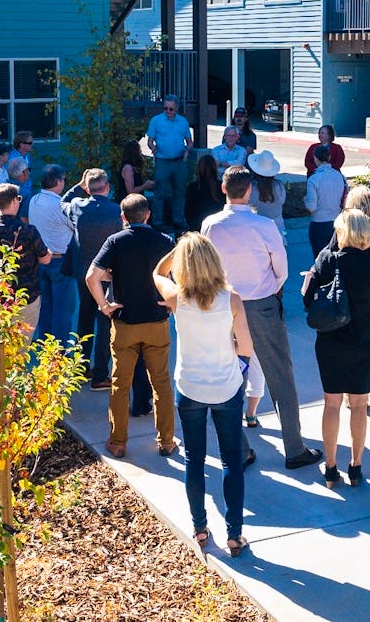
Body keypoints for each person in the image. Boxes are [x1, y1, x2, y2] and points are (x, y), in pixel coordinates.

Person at [203, 165, 323, 470]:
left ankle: (238, 449)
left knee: (231, 377)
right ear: (249, 191)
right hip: (262, 305)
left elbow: (207, 267)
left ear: (223, 189)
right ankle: (294, 448)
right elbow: (280, 269)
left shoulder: (210, 226)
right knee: (279, 374)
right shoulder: (265, 225)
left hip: (226, 308)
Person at [153, 233, 253, 556]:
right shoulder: (232, 299)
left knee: (194, 460)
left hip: (190, 387)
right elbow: (247, 348)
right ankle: (235, 534)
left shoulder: (176, 298)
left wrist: (178, 250)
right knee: (231, 462)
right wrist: (240, 370)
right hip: (226, 386)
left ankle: (199, 527)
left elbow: (157, 272)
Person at [304, 209, 370, 487]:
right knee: (359, 405)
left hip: (330, 341)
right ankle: (356, 467)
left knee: (331, 403)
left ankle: (330, 468)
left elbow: (308, 300)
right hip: (362, 341)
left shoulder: (326, 260)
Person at [86, 194, 178, 458]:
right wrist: (171, 303)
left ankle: (117, 442)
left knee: (120, 383)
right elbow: (177, 277)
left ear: (123, 217)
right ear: (147, 214)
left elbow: (92, 276)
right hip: (156, 322)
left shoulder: (115, 242)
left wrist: (104, 306)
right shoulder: (164, 242)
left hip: (125, 322)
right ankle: (166, 440)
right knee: (161, 383)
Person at [68, 172, 124, 387]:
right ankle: (101, 374)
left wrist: (79, 185)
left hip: (84, 273)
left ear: (88, 189)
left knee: (84, 319)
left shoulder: (77, 206)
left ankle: (81, 368)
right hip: (106, 274)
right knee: (104, 323)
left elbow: (64, 200)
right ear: (107, 187)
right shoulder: (116, 211)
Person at [0, 184, 52, 332]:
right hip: (26, 296)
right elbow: (45, 258)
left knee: (1, 343)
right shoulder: (28, 230)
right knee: (22, 345)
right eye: (18, 199)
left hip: (0, 295)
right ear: (13, 201)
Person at [27, 165, 75, 343]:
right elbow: (75, 225)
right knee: (63, 308)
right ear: (57, 181)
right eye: (63, 180)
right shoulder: (60, 205)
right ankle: (60, 351)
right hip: (60, 261)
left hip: (41, 259)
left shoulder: (34, 200)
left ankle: (45, 346)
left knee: (45, 306)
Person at [145, 96, 195, 229]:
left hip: (179, 161)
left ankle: (178, 220)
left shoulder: (183, 122)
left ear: (177, 108)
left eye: (171, 109)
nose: (168, 111)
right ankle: (157, 221)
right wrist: (153, 148)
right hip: (162, 161)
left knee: (179, 191)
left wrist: (187, 150)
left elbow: (189, 142)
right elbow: (150, 140)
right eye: (165, 108)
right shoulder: (156, 120)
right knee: (159, 192)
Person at [306, 143, 347, 257]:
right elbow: (345, 199)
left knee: (320, 260)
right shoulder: (340, 176)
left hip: (319, 223)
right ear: (329, 158)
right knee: (337, 259)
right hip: (337, 221)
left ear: (315, 158)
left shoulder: (313, 179)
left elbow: (311, 208)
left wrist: (305, 200)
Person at [185, 151, 226, 232]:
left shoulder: (193, 186)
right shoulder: (221, 185)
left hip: (198, 226)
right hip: (219, 225)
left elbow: (188, 211)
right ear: (215, 168)